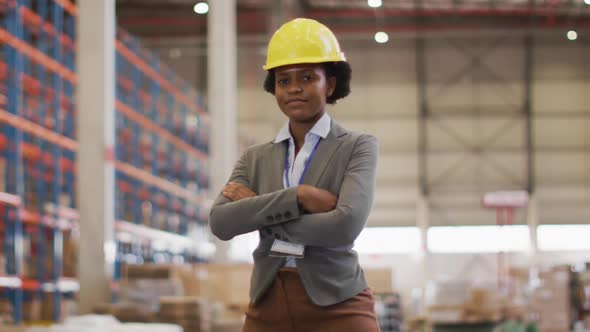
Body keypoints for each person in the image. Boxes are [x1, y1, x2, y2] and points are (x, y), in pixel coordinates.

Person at [209, 18, 380, 332]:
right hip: (268, 303)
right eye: (283, 80)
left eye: (307, 77)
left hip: (339, 302)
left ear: (329, 83)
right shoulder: (254, 157)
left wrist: (258, 209)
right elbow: (220, 223)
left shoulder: (357, 147)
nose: (294, 88)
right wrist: (297, 197)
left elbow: (344, 227)